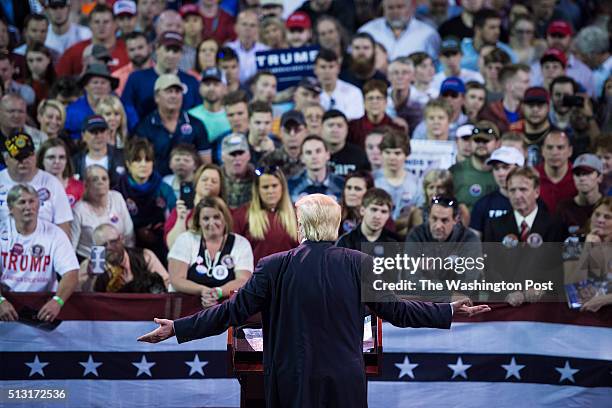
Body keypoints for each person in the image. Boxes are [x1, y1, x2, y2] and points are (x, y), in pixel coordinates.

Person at [138, 193, 490, 408]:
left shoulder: (273, 266)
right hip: (345, 381)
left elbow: (231, 312)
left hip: (292, 382)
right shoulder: (359, 264)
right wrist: (446, 309)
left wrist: (177, 328)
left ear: (301, 227)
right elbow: (396, 309)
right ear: (335, 227)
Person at [0, 184, 79, 322]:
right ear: (11, 208)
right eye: (22, 202)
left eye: (32, 201)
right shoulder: (2, 232)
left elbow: (71, 273)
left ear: (38, 204)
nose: (28, 207)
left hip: (42, 307)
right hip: (7, 305)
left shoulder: (55, 234)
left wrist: (57, 301)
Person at [167, 196, 254, 307]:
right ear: (198, 221)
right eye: (206, 218)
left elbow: (243, 280)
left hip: (225, 310)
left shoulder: (241, 243)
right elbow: (176, 279)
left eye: (216, 217)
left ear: (225, 218)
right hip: (186, 309)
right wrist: (203, 290)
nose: (211, 223)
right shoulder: (185, 239)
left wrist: (218, 292)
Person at [134, 74, 211, 176]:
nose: (174, 96)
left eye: (177, 92)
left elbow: (206, 164)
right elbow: (139, 163)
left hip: (190, 184)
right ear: (157, 96)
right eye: (169, 91)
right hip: (156, 186)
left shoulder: (196, 124)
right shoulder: (144, 127)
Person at [1, 132, 72, 237]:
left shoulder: (52, 183)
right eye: (18, 157)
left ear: (35, 156)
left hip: (44, 247)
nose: (23, 161)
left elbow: (63, 227)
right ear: (6, 159)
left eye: (27, 156)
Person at [115, 138, 176, 262]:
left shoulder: (164, 189)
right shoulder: (118, 191)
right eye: (137, 160)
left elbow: (173, 220)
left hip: (161, 246)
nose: (143, 164)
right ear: (128, 164)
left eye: (148, 160)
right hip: (129, 248)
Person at [121, 31, 202, 119]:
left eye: (175, 51)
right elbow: (126, 108)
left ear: (181, 54)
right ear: (157, 49)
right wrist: (138, 130)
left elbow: (198, 113)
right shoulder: (136, 79)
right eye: (167, 49)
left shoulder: (191, 82)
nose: (171, 55)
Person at [233, 166, 299, 264]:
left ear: (282, 187)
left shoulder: (297, 214)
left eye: (274, 185)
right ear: (257, 190)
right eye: (265, 187)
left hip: (289, 277)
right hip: (256, 277)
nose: (270, 191)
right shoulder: (242, 215)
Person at [79, 223, 168, 293]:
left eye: (113, 241)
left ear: (122, 239)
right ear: (96, 248)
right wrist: (91, 278)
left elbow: (167, 283)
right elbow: (82, 296)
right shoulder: (90, 266)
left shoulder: (145, 256)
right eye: (103, 245)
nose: (109, 247)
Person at [71, 165, 134, 260]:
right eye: (95, 179)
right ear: (86, 184)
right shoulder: (78, 210)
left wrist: (129, 259)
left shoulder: (117, 198)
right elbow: (71, 246)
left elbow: (129, 234)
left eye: (104, 179)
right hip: (89, 260)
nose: (100, 182)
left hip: (118, 258)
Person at [55, 4, 129, 76]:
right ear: (90, 24)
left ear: (115, 24)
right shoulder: (74, 52)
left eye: (106, 22)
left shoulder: (127, 50)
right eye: (96, 22)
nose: (101, 26)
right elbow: (59, 80)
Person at [165, 163, 225, 249]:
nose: (209, 183)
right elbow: (173, 246)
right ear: (196, 184)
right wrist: (181, 219)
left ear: (220, 188)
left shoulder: (225, 212)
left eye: (214, 181)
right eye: (204, 179)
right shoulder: (180, 210)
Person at [567, 197, 612, 312]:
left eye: (607, 217)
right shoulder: (573, 243)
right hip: (581, 314)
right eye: (597, 214)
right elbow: (572, 289)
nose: (600, 220)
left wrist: (605, 299)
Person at [470, 146, 525, 235]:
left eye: (506, 167)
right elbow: (473, 244)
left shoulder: (534, 203)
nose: (501, 173)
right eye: (496, 168)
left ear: (520, 169)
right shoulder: (483, 204)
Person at [358, 0, 441, 60]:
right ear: (384, 8)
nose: (395, 11)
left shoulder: (428, 33)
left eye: (400, 7)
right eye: (390, 8)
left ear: (411, 7)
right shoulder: (367, 30)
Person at [450, 121, 500, 210]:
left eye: (486, 141)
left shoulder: (503, 172)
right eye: (477, 140)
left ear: (497, 143)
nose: (481, 144)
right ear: (471, 142)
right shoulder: (455, 171)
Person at [374, 128, 420, 221]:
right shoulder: (371, 180)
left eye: (397, 153)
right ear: (381, 153)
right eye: (387, 152)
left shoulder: (416, 182)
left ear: (406, 155)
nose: (392, 157)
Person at [348, 79, 405, 149]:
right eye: (370, 98)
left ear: (386, 102)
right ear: (364, 102)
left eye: (379, 98)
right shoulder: (352, 128)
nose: (374, 102)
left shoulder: (397, 129)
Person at [288, 135, 345, 202]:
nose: (314, 157)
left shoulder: (342, 184)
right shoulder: (290, 186)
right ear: (302, 158)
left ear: (327, 155)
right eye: (308, 153)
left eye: (318, 151)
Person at [556, 154, 604, 235]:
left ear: (600, 177)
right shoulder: (564, 208)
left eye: (587, 173)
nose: (582, 178)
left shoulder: (608, 206)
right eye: (577, 174)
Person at [72, 115, 126, 185]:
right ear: (83, 136)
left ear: (108, 133)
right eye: (93, 132)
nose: (99, 136)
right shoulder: (74, 162)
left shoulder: (123, 157)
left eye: (102, 131)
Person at [314, 48, 364, 120]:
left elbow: (355, 119)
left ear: (338, 68)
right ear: (315, 69)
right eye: (323, 67)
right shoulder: (309, 94)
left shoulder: (353, 92)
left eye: (331, 67)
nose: (327, 72)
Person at [479, 64, 531, 134]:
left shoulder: (530, 113)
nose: (529, 86)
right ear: (509, 86)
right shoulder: (488, 113)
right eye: (525, 82)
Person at [535, 130, 577, 213]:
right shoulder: (532, 176)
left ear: (570, 151)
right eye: (549, 147)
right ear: (542, 151)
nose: (554, 153)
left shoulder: (578, 176)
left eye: (560, 147)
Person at [226, 9, 269, 85]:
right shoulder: (227, 49)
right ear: (236, 27)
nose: (248, 29)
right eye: (244, 24)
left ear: (258, 29)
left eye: (252, 25)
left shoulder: (265, 51)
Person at [260, 110, 308, 179]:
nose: (292, 134)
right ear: (280, 133)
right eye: (287, 130)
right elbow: (257, 174)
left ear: (306, 131)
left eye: (297, 130)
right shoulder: (269, 159)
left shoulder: (313, 158)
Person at [188, 67, 231, 143]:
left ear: (225, 89)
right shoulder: (190, 116)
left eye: (216, 84)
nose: (211, 88)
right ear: (200, 88)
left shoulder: (232, 115)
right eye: (207, 84)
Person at [37, 138, 83, 207]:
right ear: (41, 160)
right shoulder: (33, 187)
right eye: (51, 157)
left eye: (61, 157)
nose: (57, 161)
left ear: (66, 160)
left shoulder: (79, 187)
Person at [322, 109, 370, 177]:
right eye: (330, 125)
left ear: (347, 129)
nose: (335, 130)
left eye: (339, 126)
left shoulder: (359, 155)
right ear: (321, 128)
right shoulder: (313, 152)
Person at [112, 31, 154, 96]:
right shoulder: (117, 77)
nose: (136, 53)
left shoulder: (160, 72)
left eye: (140, 48)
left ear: (150, 48)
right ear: (126, 52)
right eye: (132, 49)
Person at [339, 171, 375, 236]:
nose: (351, 193)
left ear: (369, 192)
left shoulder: (379, 217)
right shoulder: (335, 215)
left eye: (357, 189)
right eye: (349, 188)